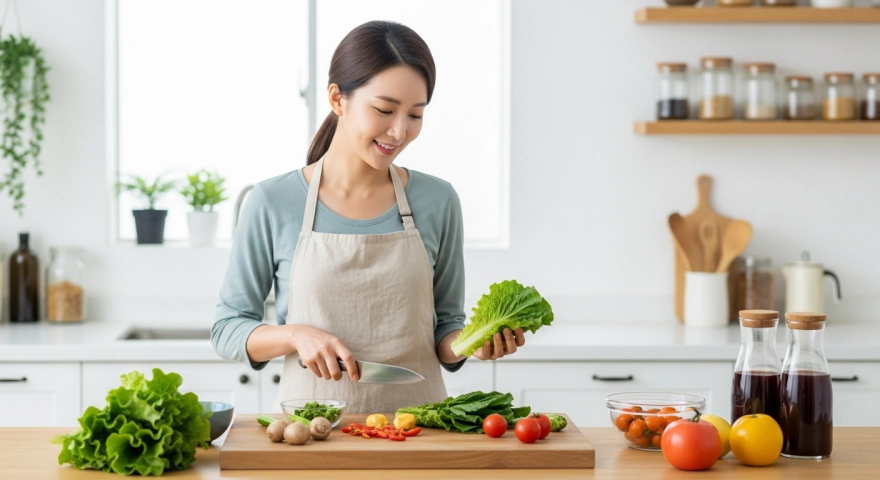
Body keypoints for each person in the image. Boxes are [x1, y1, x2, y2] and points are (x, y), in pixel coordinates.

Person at [211, 20, 525, 413]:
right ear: (338, 99)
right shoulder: (273, 201)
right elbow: (228, 329)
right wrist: (294, 335)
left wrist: (473, 343)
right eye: (384, 110)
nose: (399, 131)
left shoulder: (438, 200)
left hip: (420, 432)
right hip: (310, 436)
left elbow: (446, 328)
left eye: (415, 115)